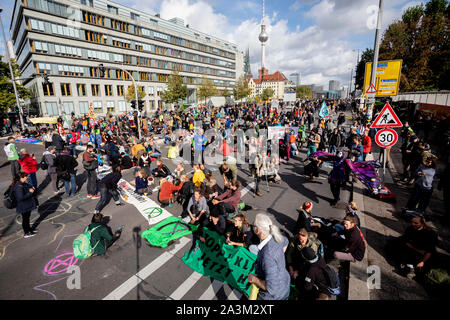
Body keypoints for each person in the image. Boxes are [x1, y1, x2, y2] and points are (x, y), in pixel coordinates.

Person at [247, 213, 290, 300]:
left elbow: (271, 289)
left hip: (273, 296)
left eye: (253, 225)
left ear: (258, 230)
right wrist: (278, 257)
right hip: (285, 285)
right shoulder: (276, 237)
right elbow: (286, 241)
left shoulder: (267, 256)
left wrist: (254, 279)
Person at [386, 215, 437, 279]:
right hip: (413, 248)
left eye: (416, 223)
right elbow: (405, 242)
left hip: (423, 253)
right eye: (412, 222)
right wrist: (417, 249)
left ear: (423, 223)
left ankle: (410, 268)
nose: (413, 224)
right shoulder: (410, 228)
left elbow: (430, 250)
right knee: (395, 248)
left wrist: (423, 262)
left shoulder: (431, 234)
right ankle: (408, 266)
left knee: (422, 264)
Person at [12, 172, 37, 238]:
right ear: (21, 178)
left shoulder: (22, 183)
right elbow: (20, 197)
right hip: (23, 206)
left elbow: (27, 187)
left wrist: (31, 188)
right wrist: (30, 192)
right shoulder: (18, 187)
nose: (27, 177)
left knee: (27, 218)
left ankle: (29, 229)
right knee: (25, 219)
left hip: (26, 205)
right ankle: (26, 233)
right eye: (26, 176)